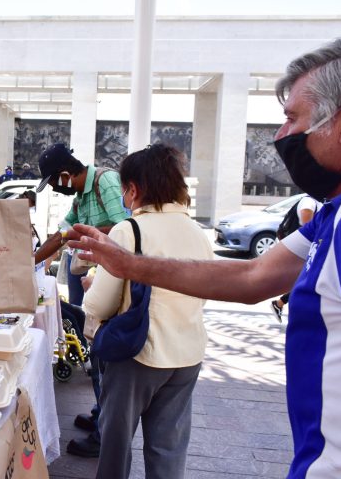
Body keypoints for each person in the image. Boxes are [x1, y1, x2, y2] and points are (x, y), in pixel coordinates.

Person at [69, 38, 341, 477]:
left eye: (293, 118)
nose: (282, 136)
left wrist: (125, 265)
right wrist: (130, 264)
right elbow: (253, 277)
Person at [82, 144, 213, 478]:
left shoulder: (130, 230)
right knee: (168, 450)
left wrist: (91, 284)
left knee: (115, 444)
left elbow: (99, 304)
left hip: (138, 354)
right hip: (187, 355)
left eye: (124, 190)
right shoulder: (197, 232)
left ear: (134, 188)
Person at [33, 142, 128, 457]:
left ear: (65, 174)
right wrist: (31, 260)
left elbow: (123, 227)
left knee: (106, 356)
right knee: (97, 353)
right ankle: (101, 414)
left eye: (53, 183)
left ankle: (104, 435)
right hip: (97, 281)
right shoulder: (81, 197)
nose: (54, 189)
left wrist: (82, 233)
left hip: (114, 282)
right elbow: (61, 235)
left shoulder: (105, 181)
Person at [270, 195, 321, 322]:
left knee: (305, 281)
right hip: (303, 251)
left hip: (307, 250)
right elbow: (307, 225)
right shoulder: (309, 202)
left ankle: (280, 304)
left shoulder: (316, 202)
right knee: (306, 281)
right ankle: (287, 308)